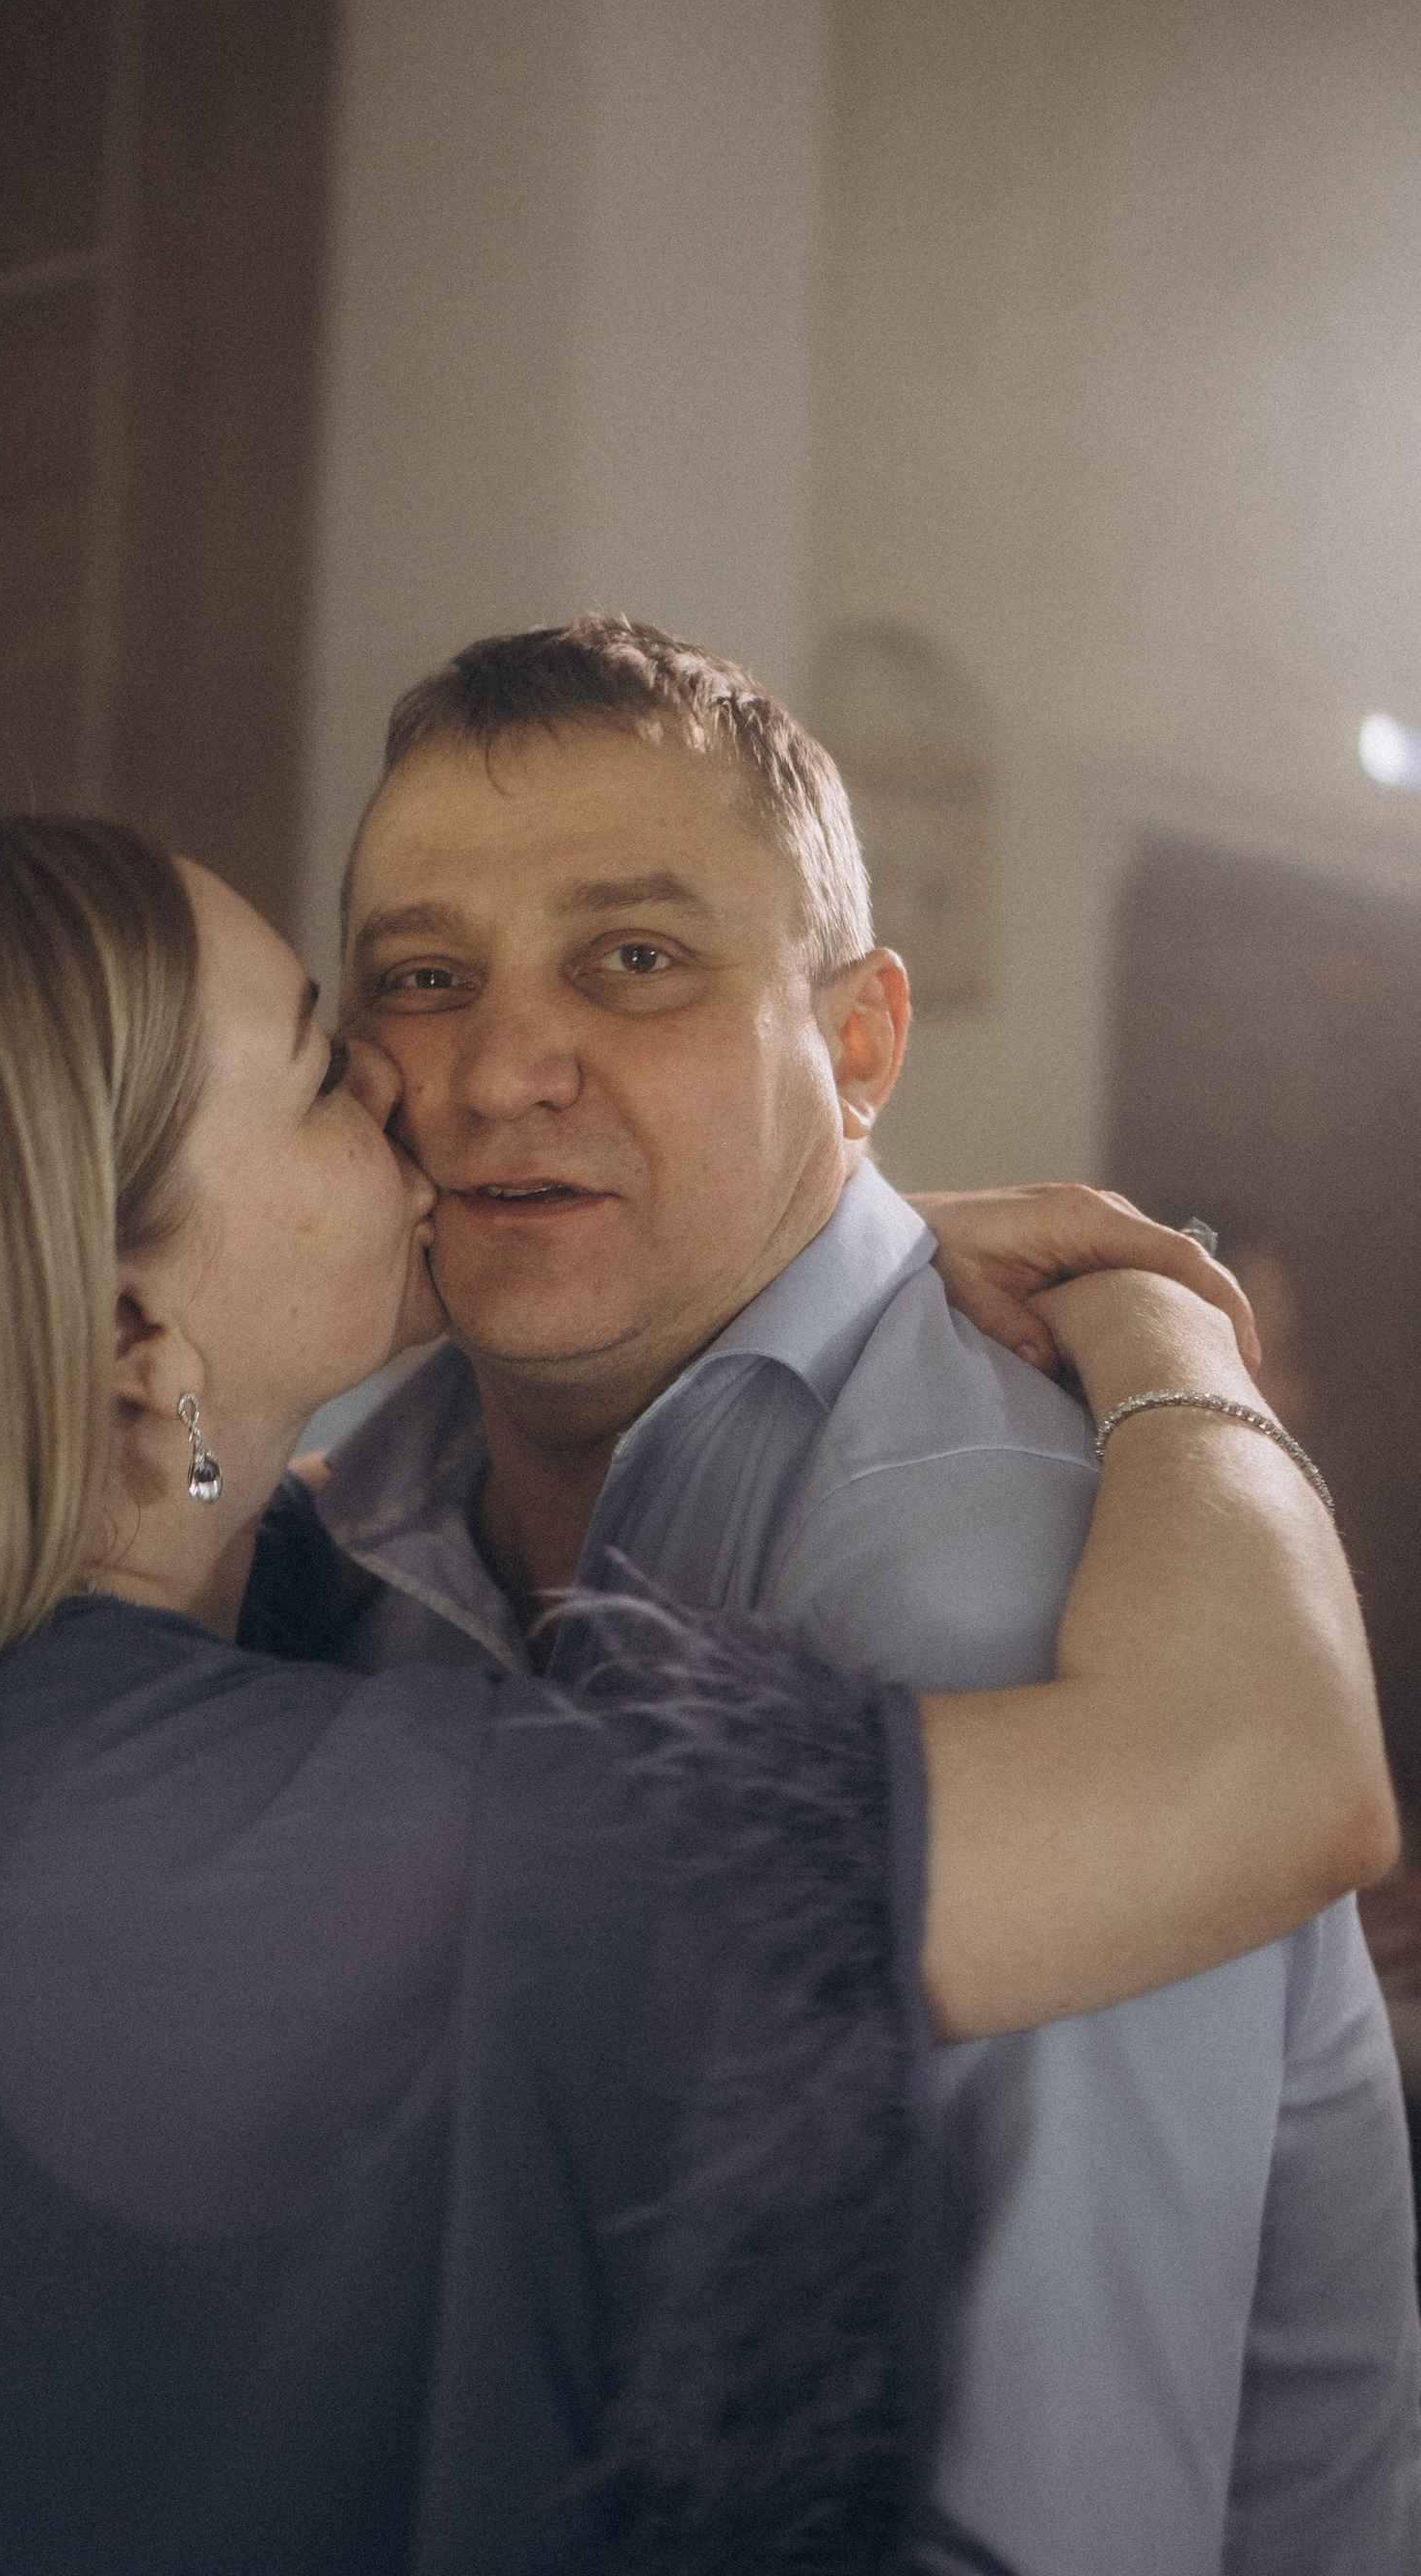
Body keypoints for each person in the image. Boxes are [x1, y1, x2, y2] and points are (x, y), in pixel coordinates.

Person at [0, 816, 1391, 2576]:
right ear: (132, 1334)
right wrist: (1156, 1316)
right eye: (321, 1070)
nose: (408, 1085)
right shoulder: (258, 1860)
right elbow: (1269, 1777)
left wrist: (819, 1232)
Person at [323, 617, 1421, 2576]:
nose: (496, 1069)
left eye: (633, 960)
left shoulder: (1008, 1570)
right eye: (424, 978)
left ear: (858, 1048)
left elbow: (1047, 2530)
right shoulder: (349, 1522)